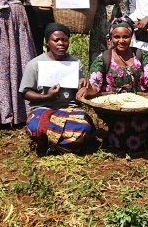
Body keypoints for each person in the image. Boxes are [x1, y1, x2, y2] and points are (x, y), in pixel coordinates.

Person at [78, 18, 148, 151]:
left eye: (125, 37)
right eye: (116, 37)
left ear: (131, 37)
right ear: (110, 38)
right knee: (124, 132)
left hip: (139, 102)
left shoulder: (140, 55)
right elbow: (95, 85)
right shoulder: (104, 58)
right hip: (114, 106)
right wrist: (87, 88)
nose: (121, 41)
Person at [20, 23, 94, 153]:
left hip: (69, 108)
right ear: (47, 42)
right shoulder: (35, 64)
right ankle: (66, 144)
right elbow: (25, 92)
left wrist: (82, 86)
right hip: (43, 108)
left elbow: (81, 90)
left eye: (64, 40)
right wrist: (47, 96)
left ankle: (50, 144)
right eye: (56, 40)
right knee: (38, 126)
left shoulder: (74, 63)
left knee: (84, 127)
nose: (61, 43)